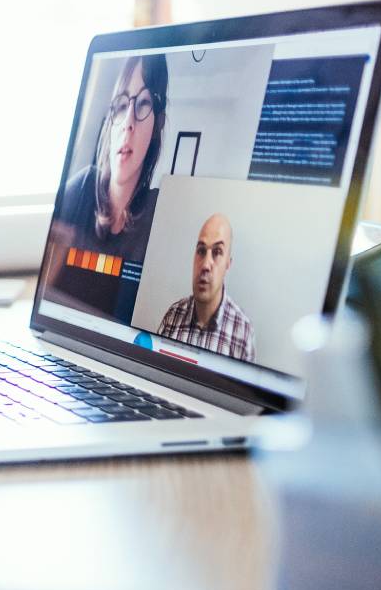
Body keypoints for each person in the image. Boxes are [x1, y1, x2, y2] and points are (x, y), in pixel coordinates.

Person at [47, 53, 169, 324]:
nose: (128, 122)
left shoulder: (160, 218)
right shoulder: (80, 188)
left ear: (158, 123)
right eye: (122, 105)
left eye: (144, 103)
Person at [155, 213, 256, 362]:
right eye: (201, 251)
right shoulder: (173, 315)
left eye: (217, 252)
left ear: (228, 263)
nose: (205, 265)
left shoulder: (242, 331)